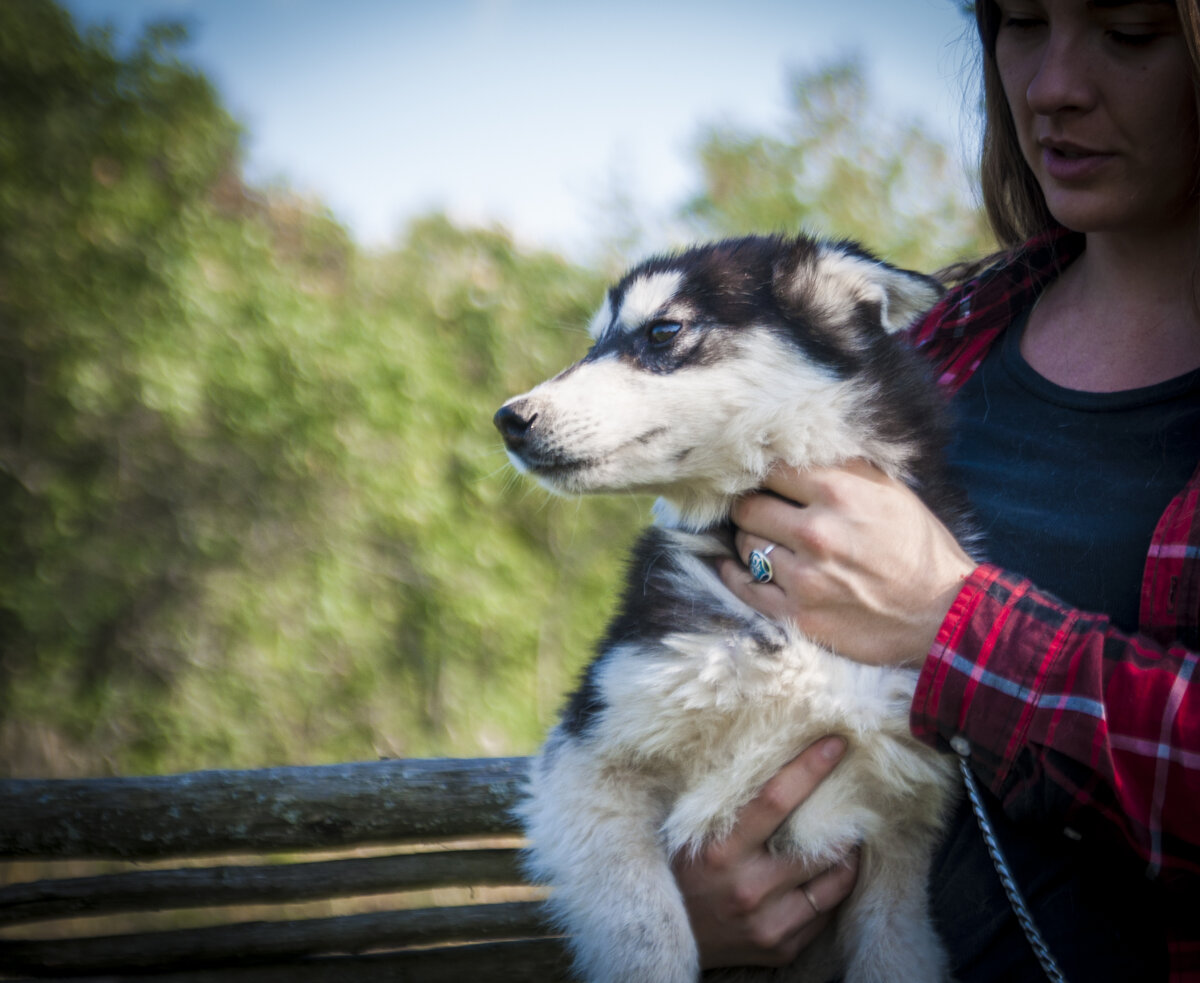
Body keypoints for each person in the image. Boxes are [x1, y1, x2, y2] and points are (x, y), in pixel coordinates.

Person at [672, 0, 1200, 979]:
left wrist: (953, 619)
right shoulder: (934, 341)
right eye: (1022, 21)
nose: (1051, 86)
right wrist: (697, 895)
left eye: (1130, 29)